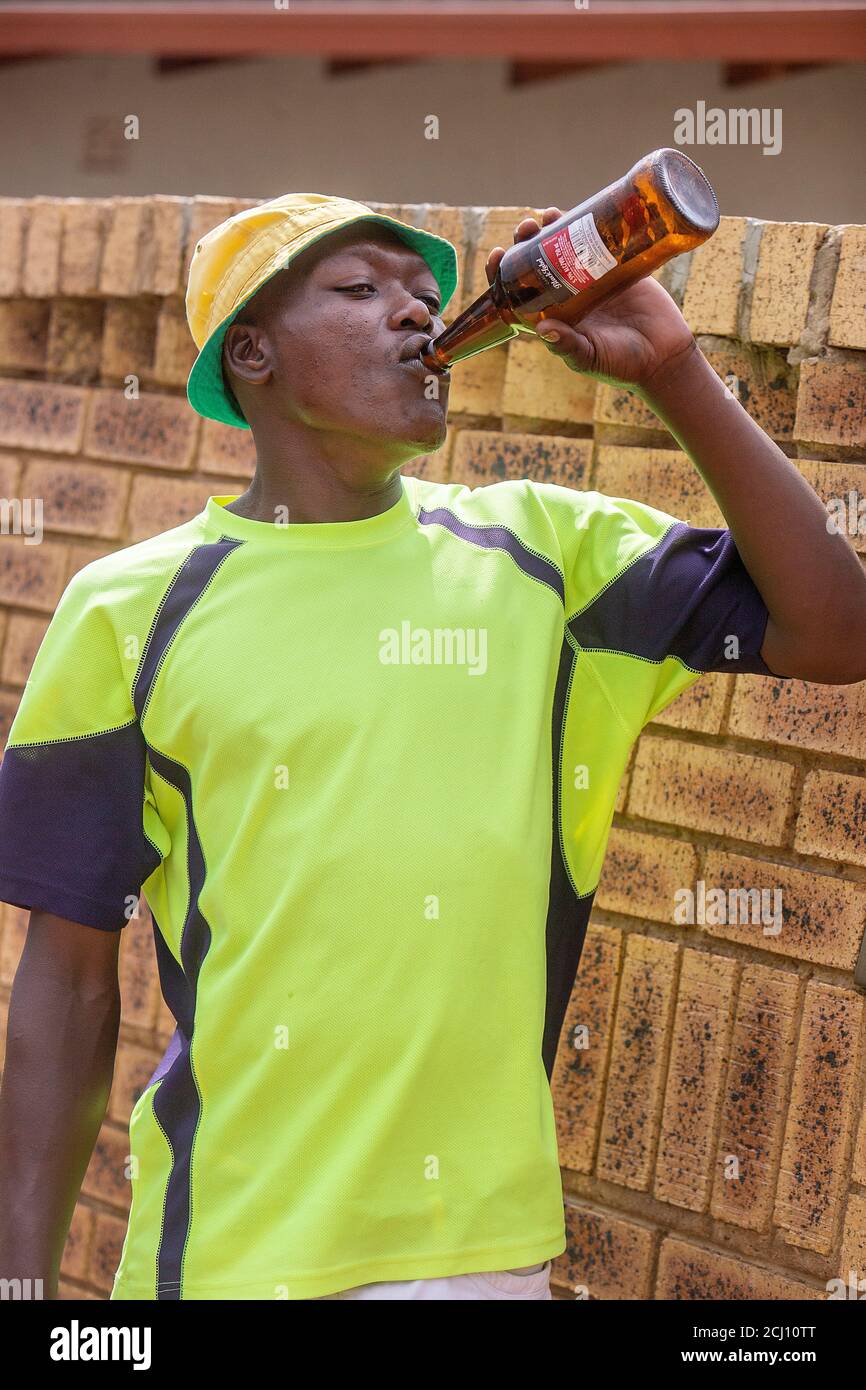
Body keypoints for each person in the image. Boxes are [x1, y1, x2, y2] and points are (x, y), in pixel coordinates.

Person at [0, 191, 864, 1304]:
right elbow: (66, 976)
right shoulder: (127, 609)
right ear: (249, 353)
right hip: (224, 1252)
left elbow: (835, 629)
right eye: (360, 291)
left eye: (425, 295)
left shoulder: (545, 556)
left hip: (480, 1257)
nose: (416, 317)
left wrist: (672, 370)